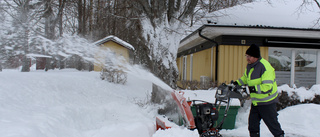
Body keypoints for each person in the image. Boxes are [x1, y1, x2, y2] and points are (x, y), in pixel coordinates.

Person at [233, 44, 284, 137]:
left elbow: (267, 87)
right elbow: (245, 78)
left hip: (267, 102)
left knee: (273, 126)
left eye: (249, 56)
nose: (247, 58)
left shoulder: (265, 67)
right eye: (246, 56)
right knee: (252, 126)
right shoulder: (250, 66)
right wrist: (236, 83)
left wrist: (252, 89)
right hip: (256, 102)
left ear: (255, 57)